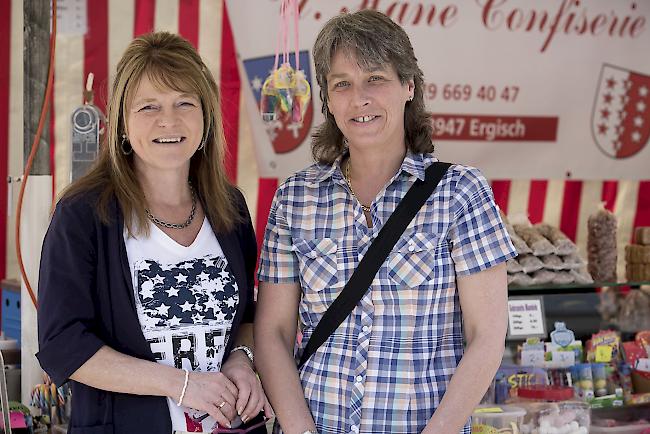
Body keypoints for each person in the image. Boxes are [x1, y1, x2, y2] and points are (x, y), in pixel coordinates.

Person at [255, 9, 517, 434]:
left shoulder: (461, 192)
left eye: (375, 78)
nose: (360, 98)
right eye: (342, 84)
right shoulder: (294, 197)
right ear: (328, 98)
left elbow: (487, 335)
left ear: (408, 85)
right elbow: (273, 332)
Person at [37, 32, 271, 434]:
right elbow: (64, 344)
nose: (169, 120)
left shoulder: (229, 208)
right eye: (149, 106)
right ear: (123, 124)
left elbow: (249, 315)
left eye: (185, 103)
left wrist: (242, 359)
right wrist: (179, 385)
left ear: (205, 117)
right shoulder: (83, 216)